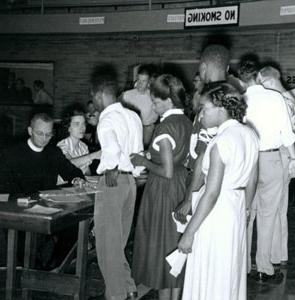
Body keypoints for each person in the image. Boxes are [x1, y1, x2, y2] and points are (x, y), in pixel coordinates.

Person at [178, 83, 259, 300]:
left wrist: (188, 233)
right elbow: (252, 179)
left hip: (216, 213)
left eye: (205, 108)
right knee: (228, 270)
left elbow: (211, 193)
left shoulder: (221, 142)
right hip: (236, 207)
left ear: (221, 109)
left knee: (211, 271)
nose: (201, 114)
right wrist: (247, 209)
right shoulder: (249, 134)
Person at [131, 74, 192, 300]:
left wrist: (143, 161)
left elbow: (165, 170)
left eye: (155, 102)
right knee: (174, 246)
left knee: (161, 248)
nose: (153, 106)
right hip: (180, 185)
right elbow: (178, 160)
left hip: (163, 190)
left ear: (168, 100)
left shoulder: (165, 126)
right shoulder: (186, 121)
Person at [238, 59, 295, 282]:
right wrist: (293, 159)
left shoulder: (239, 100)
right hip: (271, 159)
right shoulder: (274, 98)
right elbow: (286, 133)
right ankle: (264, 268)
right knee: (268, 215)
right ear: (257, 76)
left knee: (247, 214)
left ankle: (242, 266)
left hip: (247, 162)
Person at [91, 72, 143, 300]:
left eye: (93, 97)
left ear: (100, 95)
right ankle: (129, 287)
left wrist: (111, 167)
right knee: (118, 242)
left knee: (106, 246)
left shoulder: (107, 119)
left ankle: (116, 296)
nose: (93, 102)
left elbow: (111, 149)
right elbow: (137, 153)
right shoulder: (133, 116)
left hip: (112, 182)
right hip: (130, 182)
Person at [175, 44, 229, 224]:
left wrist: (189, 198)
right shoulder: (229, 96)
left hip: (204, 182)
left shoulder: (212, 101)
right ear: (227, 68)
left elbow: (203, 154)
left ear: (203, 67)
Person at [258, 65, 295, 267]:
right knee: (279, 208)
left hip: (281, 153)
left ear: (269, 81)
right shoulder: (288, 97)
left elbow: (286, 133)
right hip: (283, 154)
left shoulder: (282, 99)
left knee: (276, 208)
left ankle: (275, 255)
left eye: (261, 83)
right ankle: (279, 253)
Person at [0, 112, 86, 199]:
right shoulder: (11, 154)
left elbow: (72, 171)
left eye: (48, 134)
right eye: (40, 133)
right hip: (19, 206)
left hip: (50, 204)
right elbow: (4, 190)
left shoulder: (54, 152)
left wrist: (76, 179)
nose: (44, 138)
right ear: (30, 131)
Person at [122, 64, 158, 146]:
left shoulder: (153, 97)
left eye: (143, 81)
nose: (140, 84)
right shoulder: (126, 95)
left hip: (147, 135)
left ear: (148, 82)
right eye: (139, 80)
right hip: (130, 132)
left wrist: (151, 127)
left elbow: (159, 115)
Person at [57, 110, 101, 175]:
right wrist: (93, 155)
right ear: (68, 128)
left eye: (83, 124)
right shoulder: (62, 145)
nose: (82, 128)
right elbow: (69, 165)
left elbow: (87, 173)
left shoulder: (83, 147)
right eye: (77, 124)